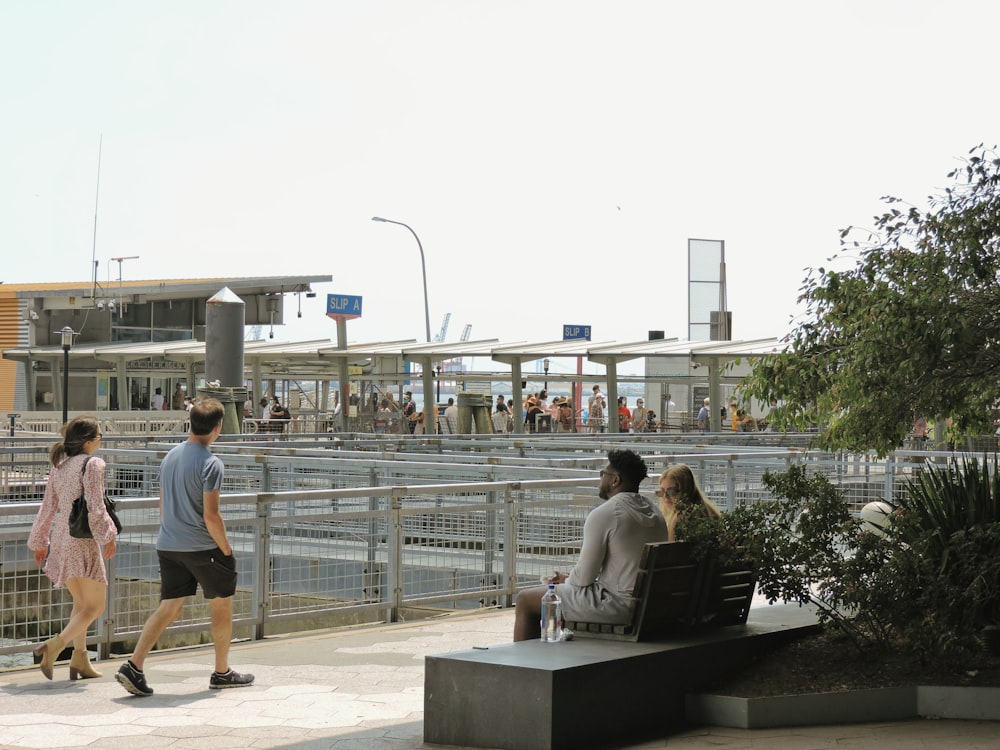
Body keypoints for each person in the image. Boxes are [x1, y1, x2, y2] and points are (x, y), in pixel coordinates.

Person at [115, 398, 254, 696]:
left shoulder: (170, 456)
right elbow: (211, 515)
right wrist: (226, 550)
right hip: (202, 547)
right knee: (221, 604)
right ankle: (221, 672)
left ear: (191, 423)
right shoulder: (211, 463)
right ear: (218, 428)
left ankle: (134, 665)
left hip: (168, 543)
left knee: (169, 606)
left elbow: (164, 505)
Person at [513, 449, 667, 640]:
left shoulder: (606, 514)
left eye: (603, 474)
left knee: (525, 600)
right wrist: (570, 579)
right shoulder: (655, 512)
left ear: (615, 480)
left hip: (615, 605)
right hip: (649, 603)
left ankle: (525, 667)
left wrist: (567, 581)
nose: (600, 480)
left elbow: (584, 578)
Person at [28, 416, 118, 681]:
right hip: (83, 542)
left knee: (81, 603)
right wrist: (108, 535)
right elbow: (95, 506)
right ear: (89, 441)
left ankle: (80, 659)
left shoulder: (61, 465)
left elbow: (48, 507)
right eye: (100, 436)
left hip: (62, 540)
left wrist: (39, 541)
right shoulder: (93, 465)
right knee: (95, 607)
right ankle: (55, 645)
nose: (101, 441)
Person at [656, 464, 722, 542]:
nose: (665, 496)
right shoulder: (707, 510)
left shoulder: (681, 517)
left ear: (685, 491)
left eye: (672, 491)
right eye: (662, 491)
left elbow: (672, 551)